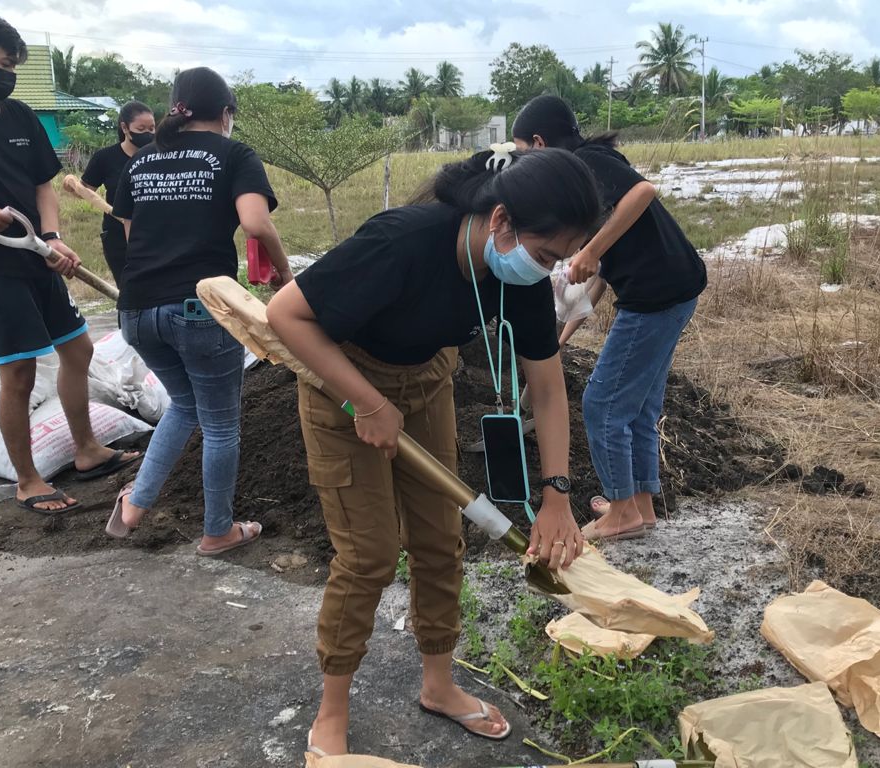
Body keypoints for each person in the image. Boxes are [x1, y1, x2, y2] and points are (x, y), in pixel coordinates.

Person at [265, 147, 602, 755]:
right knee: (368, 556)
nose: (547, 270)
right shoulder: (402, 242)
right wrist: (367, 403)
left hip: (425, 385)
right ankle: (331, 709)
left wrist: (556, 495)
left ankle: (439, 685)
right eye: (546, 254)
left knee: (440, 542)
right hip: (342, 386)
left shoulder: (515, 276)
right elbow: (285, 314)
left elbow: (548, 390)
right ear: (501, 221)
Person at [0, 5, 139, 513]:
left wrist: (54, 236)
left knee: (78, 352)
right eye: (3, 64)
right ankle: (28, 478)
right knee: (18, 375)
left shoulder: (17, 116)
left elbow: (43, 181)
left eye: (15, 65)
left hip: (39, 257)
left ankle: (85, 451)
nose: (9, 76)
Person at [105, 67, 293, 556]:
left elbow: (132, 236)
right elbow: (256, 223)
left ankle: (134, 506)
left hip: (136, 309)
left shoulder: (142, 160)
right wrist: (287, 278)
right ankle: (218, 531)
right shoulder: (234, 155)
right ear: (226, 113)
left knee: (184, 405)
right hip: (199, 310)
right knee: (221, 424)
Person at [512, 95, 707, 542]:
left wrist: (590, 250)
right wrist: (561, 335)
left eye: (523, 152)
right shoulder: (587, 172)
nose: (525, 163)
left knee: (602, 405)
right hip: (669, 289)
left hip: (655, 296)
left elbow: (643, 192)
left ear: (540, 143)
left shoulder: (587, 162)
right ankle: (638, 505)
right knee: (636, 406)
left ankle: (620, 512)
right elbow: (596, 281)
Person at [81, 100, 155, 285]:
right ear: (125, 127)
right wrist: (74, 187)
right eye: (141, 129)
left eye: (152, 128)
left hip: (154, 233)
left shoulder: (160, 156)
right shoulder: (105, 158)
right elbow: (85, 190)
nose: (148, 133)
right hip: (117, 236)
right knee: (128, 290)